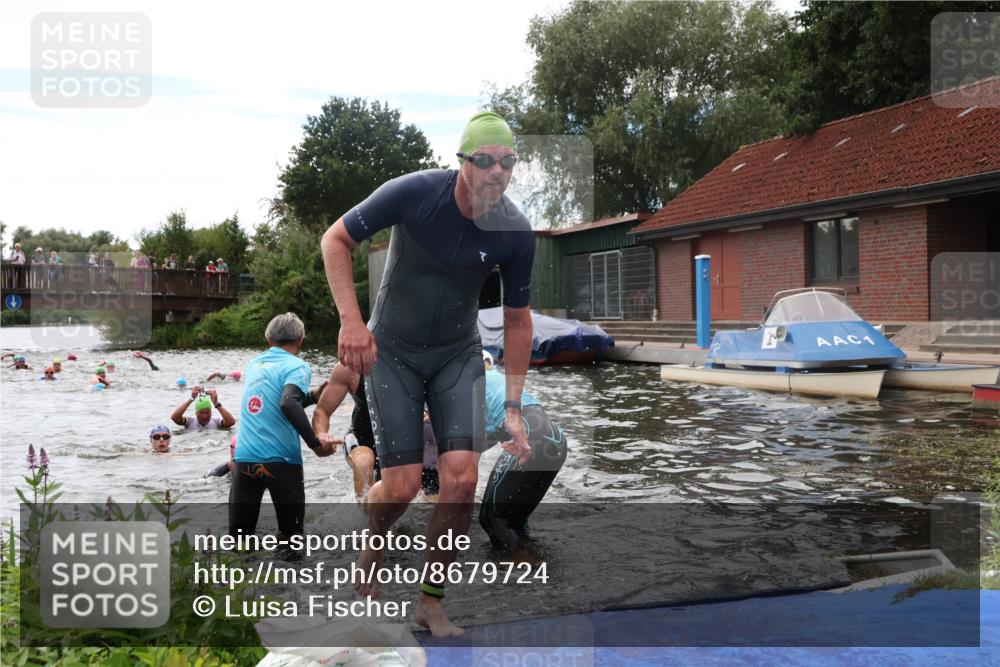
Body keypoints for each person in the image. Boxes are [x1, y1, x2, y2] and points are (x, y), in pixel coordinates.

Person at [319, 112, 535, 636]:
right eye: (484, 160)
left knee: (461, 479)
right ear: (461, 162)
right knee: (405, 484)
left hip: (456, 354)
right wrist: (352, 321)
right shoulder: (413, 193)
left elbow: (517, 319)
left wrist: (512, 406)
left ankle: (430, 601)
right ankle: (372, 540)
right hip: (391, 349)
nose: (496, 171)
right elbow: (335, 241)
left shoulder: (515, 231)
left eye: (507, 162)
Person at [228, 313, 337, 554]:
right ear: (300, 340)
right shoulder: (297, 365)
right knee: (291, 542)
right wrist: (314, 443)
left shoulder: (254, 363)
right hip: (282, 463)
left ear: (268, 340)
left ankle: (239, 588)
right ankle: (288, 589)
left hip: (245, 461)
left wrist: (311, 396)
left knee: (239, 541)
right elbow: (287, 403)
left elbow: (279, 402)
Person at [478, 351, 567, 552]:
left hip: (531, 435)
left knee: (491, 517)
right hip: (557, 440)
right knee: (515, 520)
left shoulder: (473, 380)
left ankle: (519, 570)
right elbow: (486, 439)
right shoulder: (497, 382)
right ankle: (531, 563)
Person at [171, 387, 236, 430]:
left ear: (211, 412)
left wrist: (216, 404)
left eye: (207, 412)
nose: (205, 416)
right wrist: (191, 399)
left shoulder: (216, 422)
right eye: (201, 412)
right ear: (196, 413)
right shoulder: (189, 422)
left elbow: (231, 422)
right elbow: (174, 417)